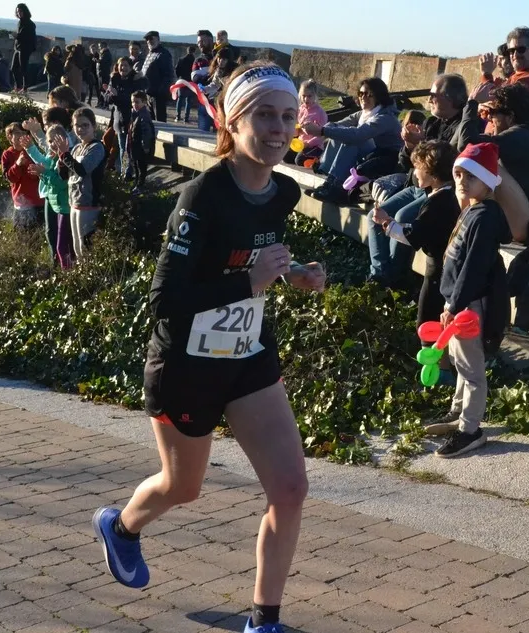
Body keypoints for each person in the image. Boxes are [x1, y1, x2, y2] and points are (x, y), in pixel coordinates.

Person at [91, 61, 325, 633]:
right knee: (183, 487)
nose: (278, 128)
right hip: (186, 366)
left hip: (248, 358)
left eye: (287, 116)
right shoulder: (202, 196)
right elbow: (165, 299)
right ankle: (120, 527)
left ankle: (264, 621)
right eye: (264, 115)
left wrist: (291, 273)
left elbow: (253, 256)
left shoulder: (283, 192)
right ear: (232, 121)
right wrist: (249, 282)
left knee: (291, 487)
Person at [422, 142, 509, 457]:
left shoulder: (485, 217)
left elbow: (473, 267)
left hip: (471, 307)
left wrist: (453, 305)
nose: (462, 181)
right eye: (458, 174)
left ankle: (470, 430)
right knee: (460, 362)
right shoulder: (473, 210)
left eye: (471, 176)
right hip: (460, 304)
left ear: (488, 181)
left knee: (471, 370)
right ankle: (458, 412)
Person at [367, 74, 466, 285]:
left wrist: (423, 142)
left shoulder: (460, 127)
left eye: (433, 95)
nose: (429, 100)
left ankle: (394, 276)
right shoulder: (431, 122)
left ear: (450, 98)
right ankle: (379, 273)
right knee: (373, 216)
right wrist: (410, 145)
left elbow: (445, 163)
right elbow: (406, 163)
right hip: (415, 185)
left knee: (402, 216)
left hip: (437, 190)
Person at [371, 140, 461, 329]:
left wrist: (386, 222)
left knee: (427, 321)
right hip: (444, 267)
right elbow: (421, 229)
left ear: (431, 172)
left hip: (438, 270)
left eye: (418, 167)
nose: (415, 173)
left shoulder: (437, 203)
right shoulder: (446, 196)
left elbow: (414, 236)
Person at [456, 83, 529, 231]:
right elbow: (457, 146)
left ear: (510, 117)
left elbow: (466, 147)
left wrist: (472, 103)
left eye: (492, 112)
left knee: (478, 167)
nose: (489, 118)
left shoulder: (519, 136)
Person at [302, 77, 403, 205]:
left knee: (352, 138)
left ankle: (337, 187)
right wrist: (318, 128)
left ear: (378, 96)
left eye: (368, 94)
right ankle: (330, 181)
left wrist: (322, 131)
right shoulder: (363, 114)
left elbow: (358, 135)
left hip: (384, 161)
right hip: (368, 156)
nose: (363, 97)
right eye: (361, 93)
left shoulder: (385, 117)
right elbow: (336, 125)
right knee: (339, 131)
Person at [23, 107, 77, 266]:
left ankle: (67, 270)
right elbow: (44, 161)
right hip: (54, 200)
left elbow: (59, 181)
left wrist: (43, 172)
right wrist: (30, 148)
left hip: (64, 205)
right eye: (50, 141)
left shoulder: (65, 155)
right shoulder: (52, 153)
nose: (52, 144)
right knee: (52, 234)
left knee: (63, 243)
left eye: (46, 124)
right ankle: (58, 266)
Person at [55, 107, 106, 259]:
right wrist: (61, 158)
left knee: (87, 248)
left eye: (85, 125)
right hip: (74, 202)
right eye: (77, 125)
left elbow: (82, 170)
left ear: (93, 126)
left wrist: (65, 154)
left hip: (89, 204)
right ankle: (80, 272)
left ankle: (90, 273)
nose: (81, 129)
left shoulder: (97, 147)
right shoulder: (76, 148)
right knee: (77, 247)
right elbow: (64, 175)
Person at [106, 57, 148, 178]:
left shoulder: (136, 80)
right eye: (121, 65)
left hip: (133, 120)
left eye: (125, 65)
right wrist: (112, 96)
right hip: (119, 120)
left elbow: (132, 101)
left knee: (130, 149)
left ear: (130, 67)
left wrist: (117, 95)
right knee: (122, 148)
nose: (123, 68)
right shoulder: (114, 79)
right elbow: (107, 99)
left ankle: (133, 173)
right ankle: (125, 174)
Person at [2, 122, 44, 229]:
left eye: (23, 133)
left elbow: (37, 176)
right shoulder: (7, 154)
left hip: (38, 201)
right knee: (23, 234)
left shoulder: (32, 151)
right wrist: (17, 164)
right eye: (17, 133)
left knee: (39, 232)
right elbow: (10, 178)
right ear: (10, 136)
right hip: (21, 203)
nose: (21, 135)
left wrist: (29, 165)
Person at [286, 79, 328, 167]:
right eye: (303, 96)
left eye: (309, 96)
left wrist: (308, 144)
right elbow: (297, 133)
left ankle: (317, 161)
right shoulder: (300, 109)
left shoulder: (320, 113)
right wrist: (295, 129)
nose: (306, 99)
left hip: (315, 146)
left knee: (299, 160)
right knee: (285, 156)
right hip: (300, 143)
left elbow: (322, 136)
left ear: (315, 96)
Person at [141, 31, 175, 123]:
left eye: (151, 38)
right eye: (147, 39)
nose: (149, 41)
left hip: (157, 95)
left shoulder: (163, 54)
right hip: (148, 94)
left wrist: (161, 92)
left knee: (160, 122)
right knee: (150, 122)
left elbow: (168, 75)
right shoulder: (150, 54)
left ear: (158, 40)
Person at [128, 91, 156, 193]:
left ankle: (140, 185)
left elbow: (146, 132)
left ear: (144, 102)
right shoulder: (135, 113)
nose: (134, 104)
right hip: (135, 146)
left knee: (141, 167)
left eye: (137, 102)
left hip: (141, 147)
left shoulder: (144, 115)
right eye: (132, 102)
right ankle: (137, 183)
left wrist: (146, 146)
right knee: (136, 166)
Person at [11, 3, 37, 92]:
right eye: (17, 12)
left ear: (25, 11)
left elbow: (28, 37)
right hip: (18, 48)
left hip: (25, 48)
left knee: (23, 68)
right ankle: (18, 86)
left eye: (20, 11)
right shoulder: (20, 22)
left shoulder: (30, 24)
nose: (19, 13)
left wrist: (16, 36)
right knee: (14, 68)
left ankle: (25, 88)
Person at [174, 46, 198, 123]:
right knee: (189, 100)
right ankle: (186, 118)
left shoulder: (181, 59)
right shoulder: (195, 61)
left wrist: (179, 77)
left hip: (182, 80)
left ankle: (177, 116)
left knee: (180, 99)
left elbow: (177, 70)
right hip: (191, 81)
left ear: (187, 51)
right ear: (194, 52)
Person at [85, 43, 101, 107]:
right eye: (92, 49)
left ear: (96, 49)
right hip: (91, 74)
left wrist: (97, 61)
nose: (93, 50)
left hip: (97, 74)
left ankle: (99, 101)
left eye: (94, 49)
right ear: (90, 50)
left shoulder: (98, 56)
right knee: (90, 88)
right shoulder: (89, 56)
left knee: (97, 89)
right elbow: (87, 65)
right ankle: (89, 101)